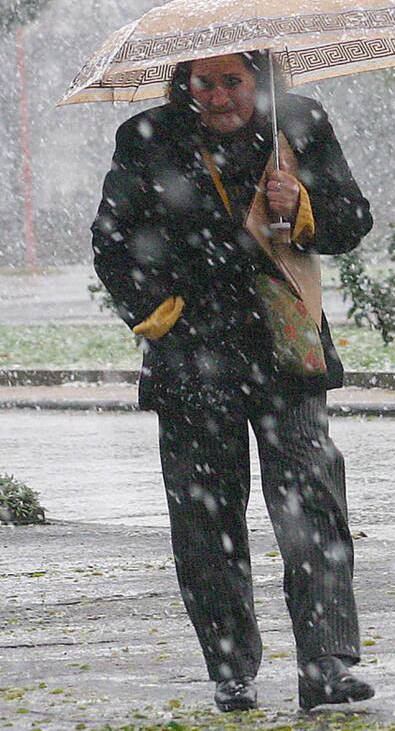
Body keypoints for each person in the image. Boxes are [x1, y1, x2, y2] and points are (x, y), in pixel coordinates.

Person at [91, 51, 375, 712]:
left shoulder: (299, 123)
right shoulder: (148, 138)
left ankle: (326, 665)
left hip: (286, 351)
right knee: (205, 520)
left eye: (232, 82)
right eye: (203, 82)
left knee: (313, 507)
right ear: (183, 81)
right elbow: (112, 243)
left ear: (260, 78)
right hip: (193, 361)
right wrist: (166, 318)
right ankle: (230, 670)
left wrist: (301, 205)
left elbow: (352, 219)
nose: (217, 97)